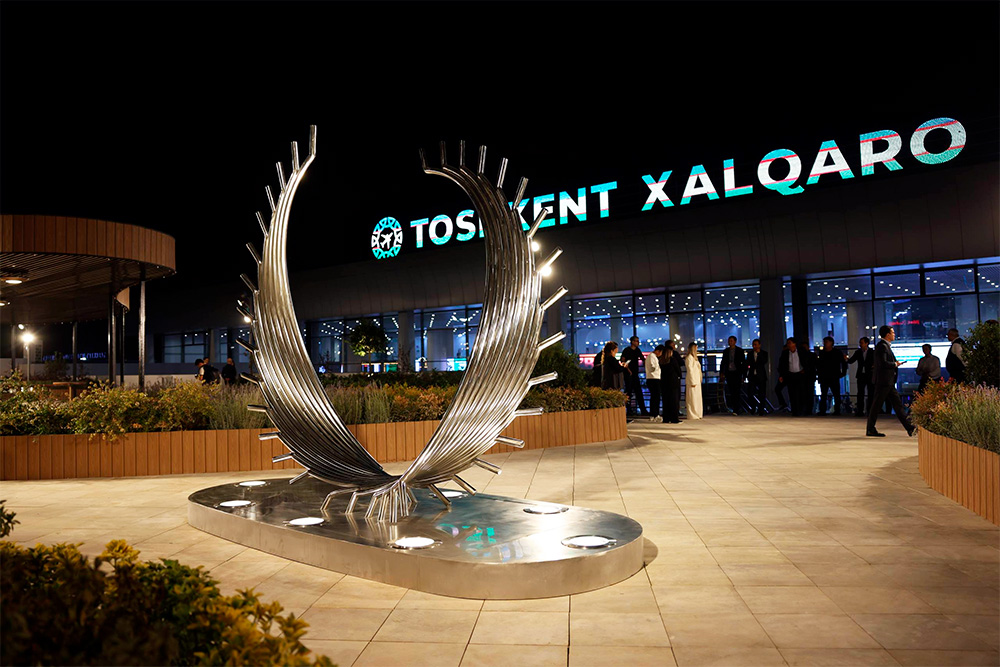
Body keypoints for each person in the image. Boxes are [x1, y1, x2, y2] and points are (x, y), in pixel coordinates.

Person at [867, 325, 915, 437]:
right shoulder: (882, 346)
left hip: (887, 381)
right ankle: (870, 428)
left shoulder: (884, 346)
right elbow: (882, 363)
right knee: (877, 406)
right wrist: (895, 364)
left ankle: (910, 428)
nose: (894, 334)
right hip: (884, 381)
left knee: (896, 405)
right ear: (887, 334)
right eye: (892, 333)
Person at [778, 338, 810, 416]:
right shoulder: (785, 353)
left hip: (800, 374)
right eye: (788, 343)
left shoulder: (801, 351)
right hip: (790, 375)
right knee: (792, 393)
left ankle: (802, 410)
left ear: (794, 344)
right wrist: (781, 375)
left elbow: (807, 361)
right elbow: (782, 365)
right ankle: (794, 411)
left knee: (801, 393)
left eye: (790, 343)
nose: (788, 345)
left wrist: (805, 370)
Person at [816, 337, 848, 415]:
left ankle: (837, 410)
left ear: (831, 343)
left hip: (833, 376)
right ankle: (823, 410)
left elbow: (843, 363)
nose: (824, 343)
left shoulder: (836, 352)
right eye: (824, 342)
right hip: (825, 376)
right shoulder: (822, 352)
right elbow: (819, 365)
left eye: (826, 342)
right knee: (824, 394)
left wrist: (843, 372)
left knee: (835, 394)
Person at [619, 336, 647, 417]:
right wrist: (628, 369)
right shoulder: (627, 350)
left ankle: (642, 410)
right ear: (632, 342)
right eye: (636, 341)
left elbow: (642, 358)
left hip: (635, 374)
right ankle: (629, 410)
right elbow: (622, 360)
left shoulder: (637, 350)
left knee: (638, 392)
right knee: (629, 392)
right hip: (628, 375)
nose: (638, 342)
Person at [847, 337, 875, 417]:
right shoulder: (858, 352)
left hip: (869, 375)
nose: (860, 344)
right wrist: (846, 359)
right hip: (861, 375)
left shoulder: (872, 352)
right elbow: (851, 360)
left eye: (862, 343)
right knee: (860, 393)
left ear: (866, 343)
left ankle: (870, 410)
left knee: (870, 393)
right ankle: (860, 411)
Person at [720, 336, 746, 415]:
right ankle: (734, 408)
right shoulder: (726, 351)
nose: (730, 342)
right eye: (729, 341)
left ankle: (737, 409)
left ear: (735, 341)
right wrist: (722, 372)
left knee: (737, 391)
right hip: (729, 373)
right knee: (731, 391)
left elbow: (743, 363)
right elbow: (723, 362)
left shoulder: (740, 351)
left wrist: (744, 375)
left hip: (737, 373)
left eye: (731, 341)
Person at [745, 339, 768, 415]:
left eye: (756, 344)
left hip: (761, 376)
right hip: (752, 376)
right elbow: (747, 364)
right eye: (753, 345)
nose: (754, 346)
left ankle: (761, 410)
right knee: (750, 393)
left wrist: (759, 354)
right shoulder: (750, 354)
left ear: (759, 345)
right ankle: (753, 407)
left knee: (762, 394)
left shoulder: (764, 353)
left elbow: (764, 361)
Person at [661, 346, 681, 423]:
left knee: (666, 401)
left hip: (664, 382)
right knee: (674, 401)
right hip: (673, 382)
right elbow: (678, 370)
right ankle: (674, 418)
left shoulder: (661, 361)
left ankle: (666, 418)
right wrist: (679, 376)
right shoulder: (672, 360)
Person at [685, 342, 703, 420]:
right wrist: (692, 381)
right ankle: (692, 414)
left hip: (697, 380)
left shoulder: (694, 358)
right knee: (692, 399)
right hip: (692, 381)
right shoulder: (689, 358)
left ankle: (697, 413)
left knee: (696, 398)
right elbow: (690, 370)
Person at [646, 345, 663, 422]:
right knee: (656, 397)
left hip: (652, 378)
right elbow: (652, 367)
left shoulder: (651, 356)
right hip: (653, 378)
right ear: (658, 351)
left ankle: (653, 414)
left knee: (654, 397)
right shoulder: (652, 356)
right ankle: (655, 414)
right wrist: (657, 367)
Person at [773, 341, 790, 411]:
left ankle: (783, 404)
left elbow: (782, 365)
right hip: (788, 374)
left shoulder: (784, 354)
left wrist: (781, 375)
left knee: (777, 389)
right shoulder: (788, 354)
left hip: (785, 375)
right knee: (790, 391)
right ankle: (785, 404)